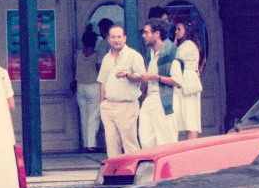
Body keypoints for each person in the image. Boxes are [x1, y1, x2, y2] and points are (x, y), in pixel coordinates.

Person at [96, 25, 146, 156]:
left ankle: (134, 169)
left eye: (119, 37)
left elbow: (142, 78)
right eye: (113, 37)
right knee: (111, 144)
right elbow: (103, 82)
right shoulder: (106, 58)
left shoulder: (133, 56)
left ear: (125, 38)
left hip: (126, 106)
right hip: (108, 106)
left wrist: (127, 75)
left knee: (130, 144)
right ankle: (115, 170)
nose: (116, 40)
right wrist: (102, 104)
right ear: (108, 39)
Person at [138, 18, 182, 148]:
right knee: (146, 140)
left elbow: (178, 81)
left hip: (165, 99)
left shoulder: (171, 52)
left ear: (157, 34)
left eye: (146, 32)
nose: (143, 35)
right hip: (150, 99)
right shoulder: (150, 52)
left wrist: (154, 76)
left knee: (166, 141)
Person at [173, 21, 203, 140]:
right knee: (189, 117)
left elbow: (174, 58)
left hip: (187, 84)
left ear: (186, 30)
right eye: (175, 29)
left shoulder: (188, 45)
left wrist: (174, 44)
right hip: (187, 82)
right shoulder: (188, 45)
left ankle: (192, 144)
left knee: (190, 118)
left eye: (179, 29)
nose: (176, 32)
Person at [74, 26, 102, 152]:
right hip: (93, 85)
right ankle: (91, 144)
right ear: (94, 42)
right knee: (93, 116)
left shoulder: (78, 54)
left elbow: (73, 66)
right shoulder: (97, 55)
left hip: (80, 85)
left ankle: (86, 143)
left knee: (83, 115)